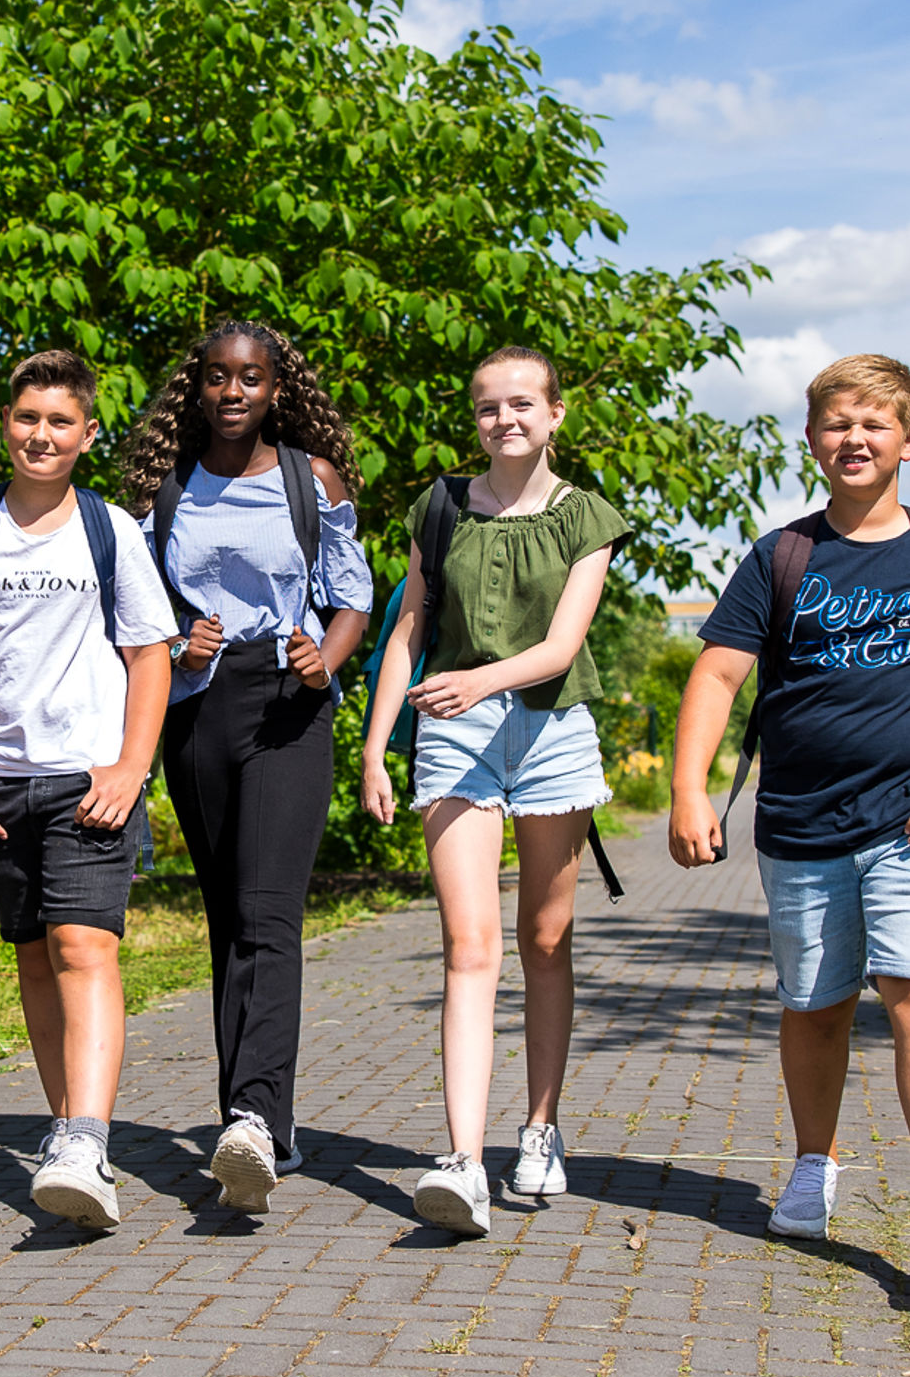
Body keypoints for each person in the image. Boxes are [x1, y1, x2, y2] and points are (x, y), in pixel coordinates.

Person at [361, 347, 628, 1238]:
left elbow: (560, 647)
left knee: (544, 939)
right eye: (487, 407)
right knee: (469, 947)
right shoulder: (439, 508)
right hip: (454, 733)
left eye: (521, 404)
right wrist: (373, 750)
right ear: (473, 419)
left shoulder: (587, 516)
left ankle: (541, 1128)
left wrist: (479, 682)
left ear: (555, 415)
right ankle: (463, 1161)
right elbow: (407, 632)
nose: (504, 419)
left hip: (553, 728)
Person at [0, 349, 176, 1230]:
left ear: (88, 435)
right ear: (8, 423)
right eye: (28, 418)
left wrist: (131, 769)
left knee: (83, 947)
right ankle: (67, 1131)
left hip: (90, 777)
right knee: (32, 955)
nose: (42, 435)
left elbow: (149, 655)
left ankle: (86, 1143)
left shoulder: (110, 530)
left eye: (61, 422)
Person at [123, 320, 372, 1214]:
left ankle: (251, 1121)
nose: (233, 392)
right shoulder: (164, 491)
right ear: (197, 390)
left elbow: (354, 595)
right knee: (229, 917)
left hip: (286, 701)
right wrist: (178, 646)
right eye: (218, 379)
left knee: (269, 912)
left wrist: (328, 659)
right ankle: (269, 1121)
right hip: (197, 704)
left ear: (277, 389)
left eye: (252, 379)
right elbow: (140, 605)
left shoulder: (313, 480)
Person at [670, 353, 910, 1240]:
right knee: (815, 1007)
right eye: (838, 423)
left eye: (874, 423)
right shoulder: (782, 556)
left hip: (904, 822)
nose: (855, 437)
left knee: (909, 991)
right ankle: (816, 1164)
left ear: (906, 440)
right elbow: (720, 673)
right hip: (801, 823)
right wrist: (689, 789)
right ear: (811, 440)